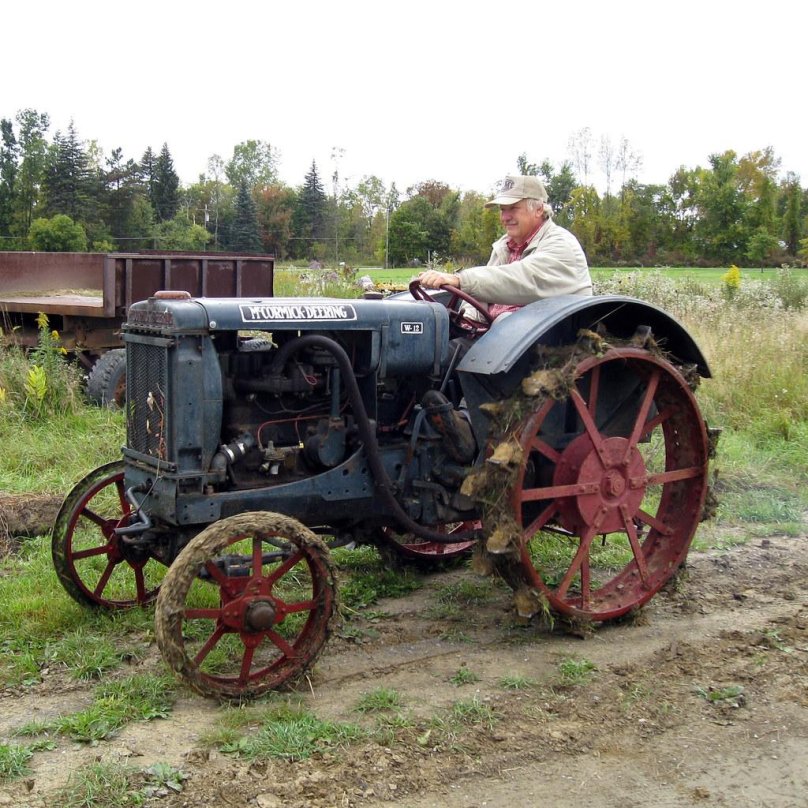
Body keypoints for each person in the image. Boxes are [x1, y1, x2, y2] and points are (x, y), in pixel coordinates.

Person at [417, 175, 592, 320]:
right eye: (502, 210)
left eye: (513, 208)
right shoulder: (504, 246)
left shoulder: (561, 244)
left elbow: (522, 278)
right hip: (500, 335)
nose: (505, 217)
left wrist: (460, 279)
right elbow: (481, 297)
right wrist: (466, 321)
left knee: (502, 321)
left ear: (538, 209)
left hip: (545, 339)